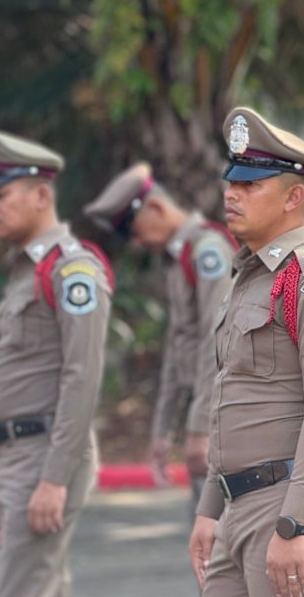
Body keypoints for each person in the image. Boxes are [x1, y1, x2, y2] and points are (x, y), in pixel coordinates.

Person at [187, 107, 304, 597]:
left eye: (251, 184)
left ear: (293, 197)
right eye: (232, 183)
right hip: (238, 504)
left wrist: (296, 521)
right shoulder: (249, 278)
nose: (232, 195)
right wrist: (209, 507)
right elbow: (232, 401)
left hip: (286, 503)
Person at [0, 129, 113, 597]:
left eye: (1, 195)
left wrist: (54, 478)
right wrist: (3, 483)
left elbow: (83, 378)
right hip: (21, 457)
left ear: (40, 195)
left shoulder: (72, 270)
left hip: (46, 454)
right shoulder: (25, 270)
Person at [84, 163, 236, 510]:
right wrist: (162, 431)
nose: (137, 242)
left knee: (223, 530)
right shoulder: (179, 257)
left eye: (133, 230)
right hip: (208, 409)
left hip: (227, 414)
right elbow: (179, 344)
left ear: (155, 208)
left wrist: (201, 428)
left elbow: (217, 340)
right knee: (208, 531)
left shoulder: (207, 251)